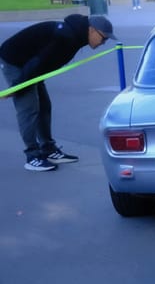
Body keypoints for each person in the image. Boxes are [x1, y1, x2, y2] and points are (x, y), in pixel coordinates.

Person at [0, 14, 116, 171]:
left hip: (32, 65)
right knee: (29, 108)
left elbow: (43, 62)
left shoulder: (77, 35)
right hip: (16, 61)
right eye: (103, 38)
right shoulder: (66, 36)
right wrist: (17, 85)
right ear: (92, 30)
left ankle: (48, 149)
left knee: (44, 106)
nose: (103, 43)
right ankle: (32, 156)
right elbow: (38, 61)